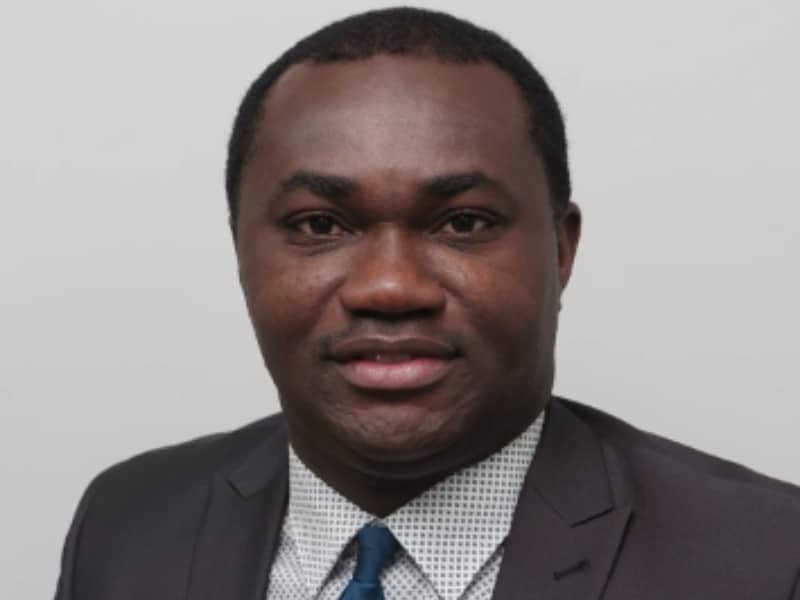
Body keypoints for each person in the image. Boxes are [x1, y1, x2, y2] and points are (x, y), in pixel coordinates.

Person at [54, 7, 800, 600]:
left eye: (463, 223)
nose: (390, 287)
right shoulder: (127, 524)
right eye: (319, 226)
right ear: (240, 251)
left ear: (561, 249)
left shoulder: (767, 561)